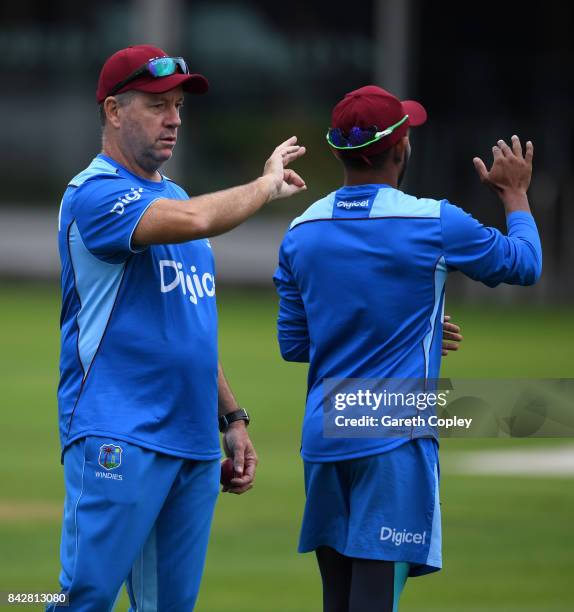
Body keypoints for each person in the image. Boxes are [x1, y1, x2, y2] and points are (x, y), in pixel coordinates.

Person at [50, 44, 306, 611]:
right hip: (117, 430)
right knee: (81, 598)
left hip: (190, 442)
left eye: (179, 107)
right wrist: (264, 186)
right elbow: (195, 221)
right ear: (114, 111)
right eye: (157, 105)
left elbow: (187, 328)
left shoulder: (176, 196)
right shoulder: (94, 193)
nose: (175, 120)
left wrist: (232, 417)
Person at [273, 85, 541, 612]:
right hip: (390, 436)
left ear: (337, 152)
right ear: (401, 149)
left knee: (339, 600)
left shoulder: (299, 231)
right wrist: (514, 195)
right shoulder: (435, 221)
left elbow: (296, 344)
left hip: (326, 433)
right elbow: (525, 264)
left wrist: (398, 321)